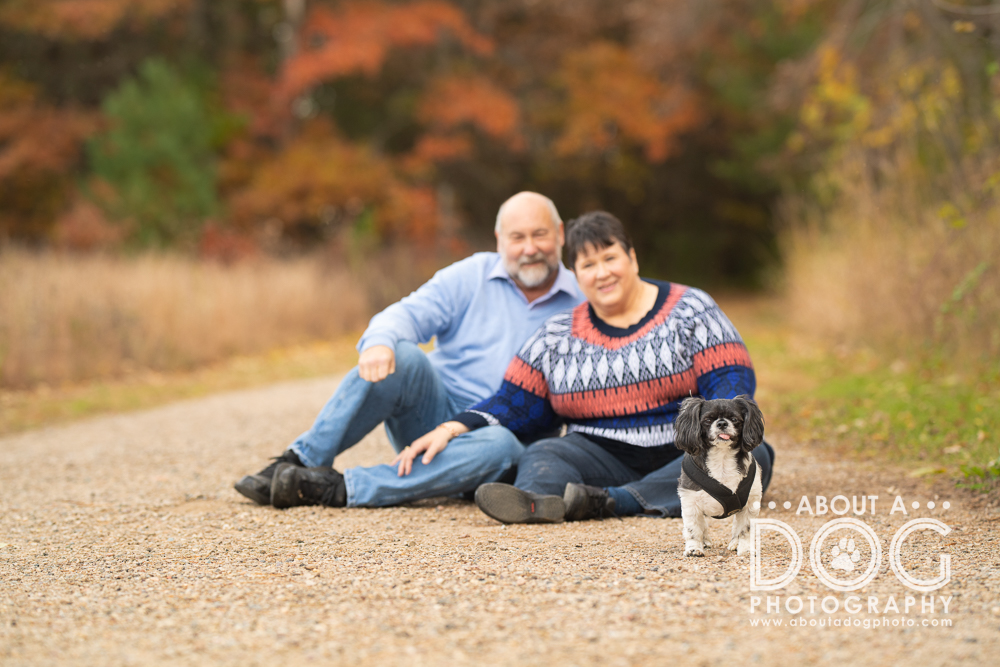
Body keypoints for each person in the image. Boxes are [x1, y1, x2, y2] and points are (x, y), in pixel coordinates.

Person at [394, 210, 775, 522]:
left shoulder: (691, 309)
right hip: (599, 452)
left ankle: (613, 501)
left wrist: (715, 438)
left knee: (756, 455)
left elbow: (729, 379)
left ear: (632, 258)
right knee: (543, 455)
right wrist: (451, 427)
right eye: (588, 264)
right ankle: (537, 503)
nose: (602, 272)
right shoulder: (557, 333)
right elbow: (514, 402)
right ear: (576, 274)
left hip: (685, 448)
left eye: (610, 258)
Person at [233, 192, 583, 509]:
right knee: (402, 356)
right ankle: (299, 463)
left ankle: (339, 489)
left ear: (560, 234)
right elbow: (404, 315)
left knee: (500, 443)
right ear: (499, 240)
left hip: (503, 445)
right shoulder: (469, 277)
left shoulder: (585, 303)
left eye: (540, 234)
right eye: (517, 237)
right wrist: (380, 343)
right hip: (433, 422)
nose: (529, 248)